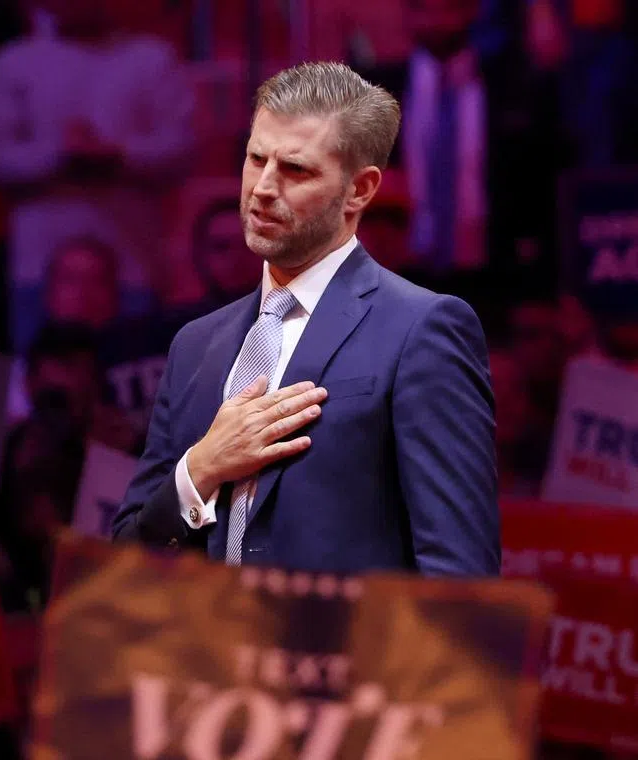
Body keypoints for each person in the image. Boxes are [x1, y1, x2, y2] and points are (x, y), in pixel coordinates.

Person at [111, 62, 499, 577]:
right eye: (255, 159)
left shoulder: (422, 329)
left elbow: (460, 582)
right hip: (207, 654)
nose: (264, 187)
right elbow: (125, 561)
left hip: (349, 657)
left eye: (295, 169)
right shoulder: (194, 346)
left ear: (359, 190)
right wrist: (199, 470)